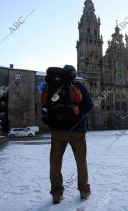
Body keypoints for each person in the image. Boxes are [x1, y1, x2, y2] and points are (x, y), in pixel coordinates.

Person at [41, 65, 94, 204]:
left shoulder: (52, 86)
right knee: (81, 162)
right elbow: (90, 106)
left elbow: (45, 105)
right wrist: (79, 115)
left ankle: (56, 195)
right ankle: (84, 191)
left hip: (57, 131)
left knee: (55, 163)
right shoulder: (78, 86)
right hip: (77, 131)